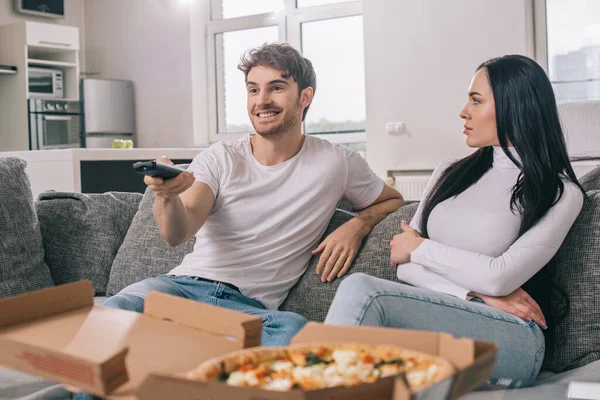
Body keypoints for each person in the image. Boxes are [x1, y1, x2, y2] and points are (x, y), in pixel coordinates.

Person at [103, 43, 404, 346]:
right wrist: (167, 196)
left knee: (300, 338)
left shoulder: (337, 162)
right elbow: (176, 234)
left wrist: (357, 225)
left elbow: (393, 200)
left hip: (250, 311)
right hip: (181, 290)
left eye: (276, 88)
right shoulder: (219, 157)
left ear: (305, 96)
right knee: (112, 315)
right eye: (253, 90)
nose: (262, 101)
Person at [324, 55, 585, 386]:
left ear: (515, 105)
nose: (464, 112)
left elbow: (499, 277)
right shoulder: (449, 172)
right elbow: (402, 264)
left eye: (476, 101)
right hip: (445, 314)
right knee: (378, 371)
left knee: (363, 290)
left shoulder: (559, 191)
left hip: (514, 334)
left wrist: (419, 249)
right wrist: (474, 294)